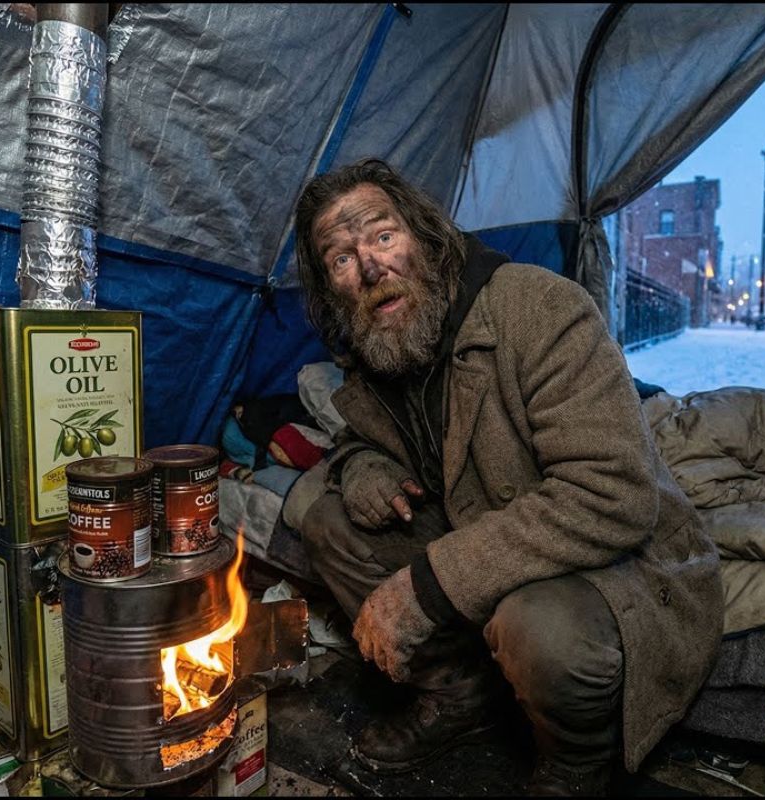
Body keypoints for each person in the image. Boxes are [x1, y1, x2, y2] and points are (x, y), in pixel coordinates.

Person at [292, 158, 722, 796]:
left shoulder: (538, 307)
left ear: (430, 239)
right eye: (342, 259)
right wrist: (365, 467)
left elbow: (613, 494)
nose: (372, 266)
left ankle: (575, 765)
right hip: (490, 536)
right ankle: (459, 697)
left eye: (383, 236)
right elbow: (360, 441)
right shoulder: (381, 349)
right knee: (327, 518)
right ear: (334, 289)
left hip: (607, 560)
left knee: (535, 625)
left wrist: (429, 586)